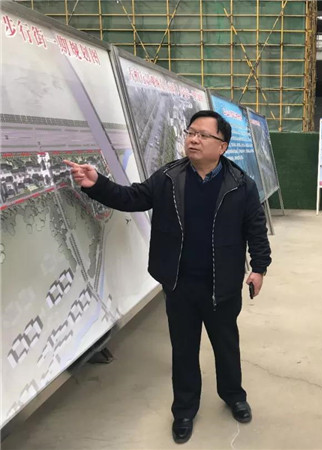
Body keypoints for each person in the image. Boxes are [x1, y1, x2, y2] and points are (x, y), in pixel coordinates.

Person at [64, 110, 271, 444]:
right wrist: (97, 183)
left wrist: (259, 268)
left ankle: (234, 395)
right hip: (179, 283)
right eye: (191, 132)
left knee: (226, 346)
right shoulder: (169, 177)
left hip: (222, 284)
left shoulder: (241, 184)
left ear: (222, 146)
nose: (193, 139)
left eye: (203, 135)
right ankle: (184, 410)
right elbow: (133, 197)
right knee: (184, 350)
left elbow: (256, 229)